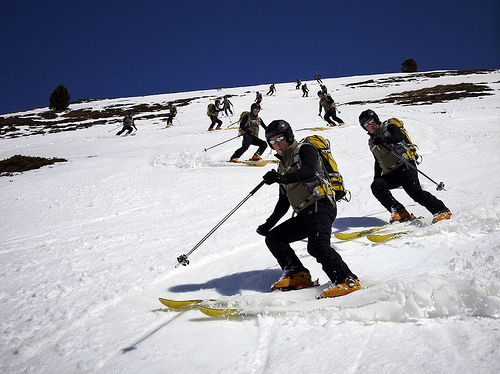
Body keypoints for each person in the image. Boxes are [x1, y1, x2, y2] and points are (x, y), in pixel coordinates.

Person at [257, 120, 360, 298]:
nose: (277, 144)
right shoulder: (282, 166)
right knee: (274, 238)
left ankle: (346, 280)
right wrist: (268, 225)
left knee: (317, 246)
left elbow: (310, 171)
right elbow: (284, 201)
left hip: (321, 203)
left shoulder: (304, 149)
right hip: (305, 212)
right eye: (272, 142)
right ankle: (297, 274)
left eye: (280, 138)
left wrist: (281, 179)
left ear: (288, 136)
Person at [359, 109, 452, 224]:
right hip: (391, 172)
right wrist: (376, 178)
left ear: (376, 119)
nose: (370, 126)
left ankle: (441, 210)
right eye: (366, 125)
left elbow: (398, 137)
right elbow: (378, 161)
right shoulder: (372, 142)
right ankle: (400, 212)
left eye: (371, 121)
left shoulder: (388, 127)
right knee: (377, 186)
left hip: (405, 165)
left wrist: (385, 140)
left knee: (415, 192)